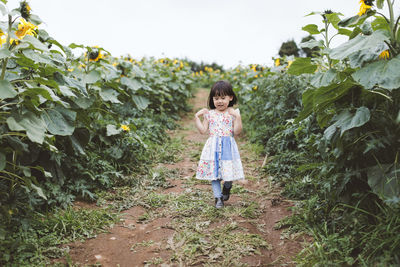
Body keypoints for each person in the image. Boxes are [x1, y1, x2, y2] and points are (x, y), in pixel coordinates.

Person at [194, 80, 245, 208]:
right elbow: (202, 130)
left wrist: (238, 118)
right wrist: (196, 117)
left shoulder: (232, 113)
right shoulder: (210, 114)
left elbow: (237, 132)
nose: (220, 101)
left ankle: (227, 186)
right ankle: (218, 198)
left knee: (228, 173)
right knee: (214, 173)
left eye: (223, 98)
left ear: (230, 98)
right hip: (213, 148)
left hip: (228, 147)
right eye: (216, 98)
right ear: (212, 99)